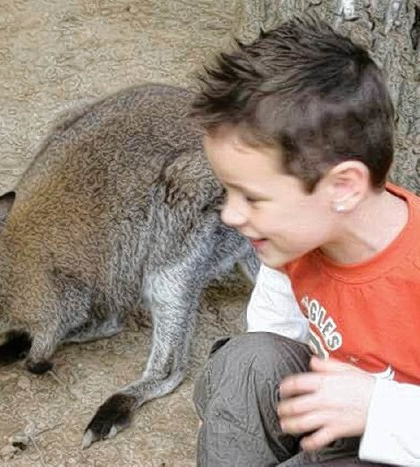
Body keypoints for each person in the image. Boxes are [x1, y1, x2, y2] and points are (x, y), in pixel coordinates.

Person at [190, 15, 420, 466]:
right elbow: (270, 342)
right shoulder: (291, 241)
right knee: (249, 361)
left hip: (400, 440)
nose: (231, 215)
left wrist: (377, 407)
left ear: (343, 187)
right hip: (334, 422)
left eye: (253, 197)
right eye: (229, 193)